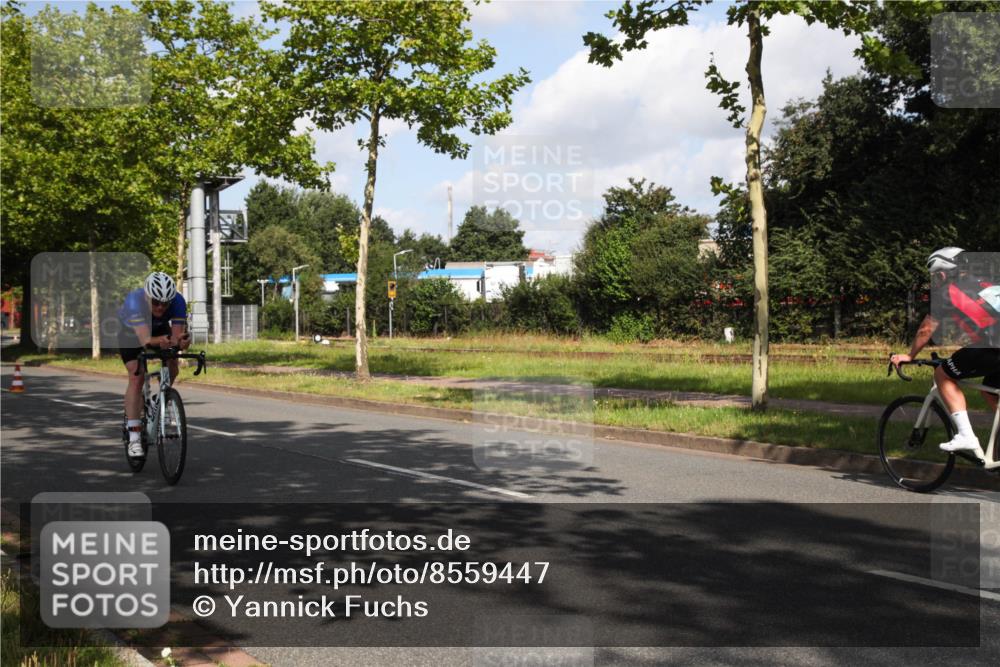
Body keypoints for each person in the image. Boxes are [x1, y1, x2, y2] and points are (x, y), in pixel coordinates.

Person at [891, 247, 1000, 460]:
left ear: (942, 273)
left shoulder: (947, 291)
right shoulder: (985, 283)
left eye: (934, 276)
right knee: (990, 390)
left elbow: (926, 329)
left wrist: (910, 355)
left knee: (942, 374)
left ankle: (966, 435)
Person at [117, 272, 190, 458]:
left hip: (158, 328)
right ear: (147, 296)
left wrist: (181, 342)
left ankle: (162, 402)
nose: (160, 307)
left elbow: (175, 338)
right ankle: (134, 437)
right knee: (137, 374)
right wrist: (163, 341)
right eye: (156, 302)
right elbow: (145, 340)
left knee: (173, 363)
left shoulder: (178, 301)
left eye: (165, 304)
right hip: (131, 333)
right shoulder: (135, 301)